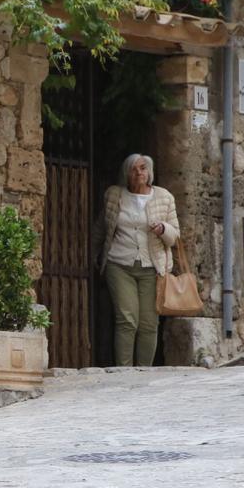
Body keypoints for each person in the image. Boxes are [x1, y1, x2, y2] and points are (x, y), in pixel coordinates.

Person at [95, 154, 180, 367]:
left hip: (152, 267)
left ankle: (144, 371)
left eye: (143, 168)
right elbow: (101, 228)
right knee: (127, 320)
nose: (138, 173)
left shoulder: (164, 197)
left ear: (149, 172)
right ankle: (124, 370)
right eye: (134, 169)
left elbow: (175, 235)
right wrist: (94, 254)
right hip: (119, 264)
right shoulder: (114, 195)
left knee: (149, 323)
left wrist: (162, 229)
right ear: (127, 173)